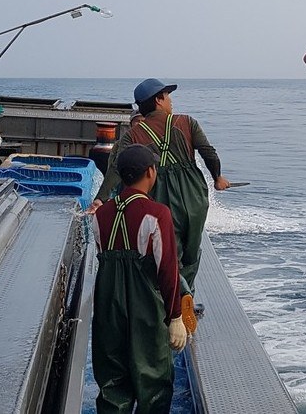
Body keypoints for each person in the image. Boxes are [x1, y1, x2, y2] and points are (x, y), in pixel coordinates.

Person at [89, 78, 230, 332]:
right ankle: (188, 298)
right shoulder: (187, 123)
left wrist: (101, 197)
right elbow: (209, 153)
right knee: (192, 250)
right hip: (193, 195)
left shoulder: (133, 135)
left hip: (159, 193)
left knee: (167, 252)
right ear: (158, 100)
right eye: (167, 95)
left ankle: (173, 300)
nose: (171, 100)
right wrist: (218, 178)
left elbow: (115, 170)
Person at [91, 144, 187, 413]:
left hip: (108, 307)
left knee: (112, 382)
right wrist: (176, 317)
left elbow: (103, 253)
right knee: (153, 380)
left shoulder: (101, 214)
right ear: (150, 172)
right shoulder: (158, 214)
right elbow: (168, 271)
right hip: (146, 309)